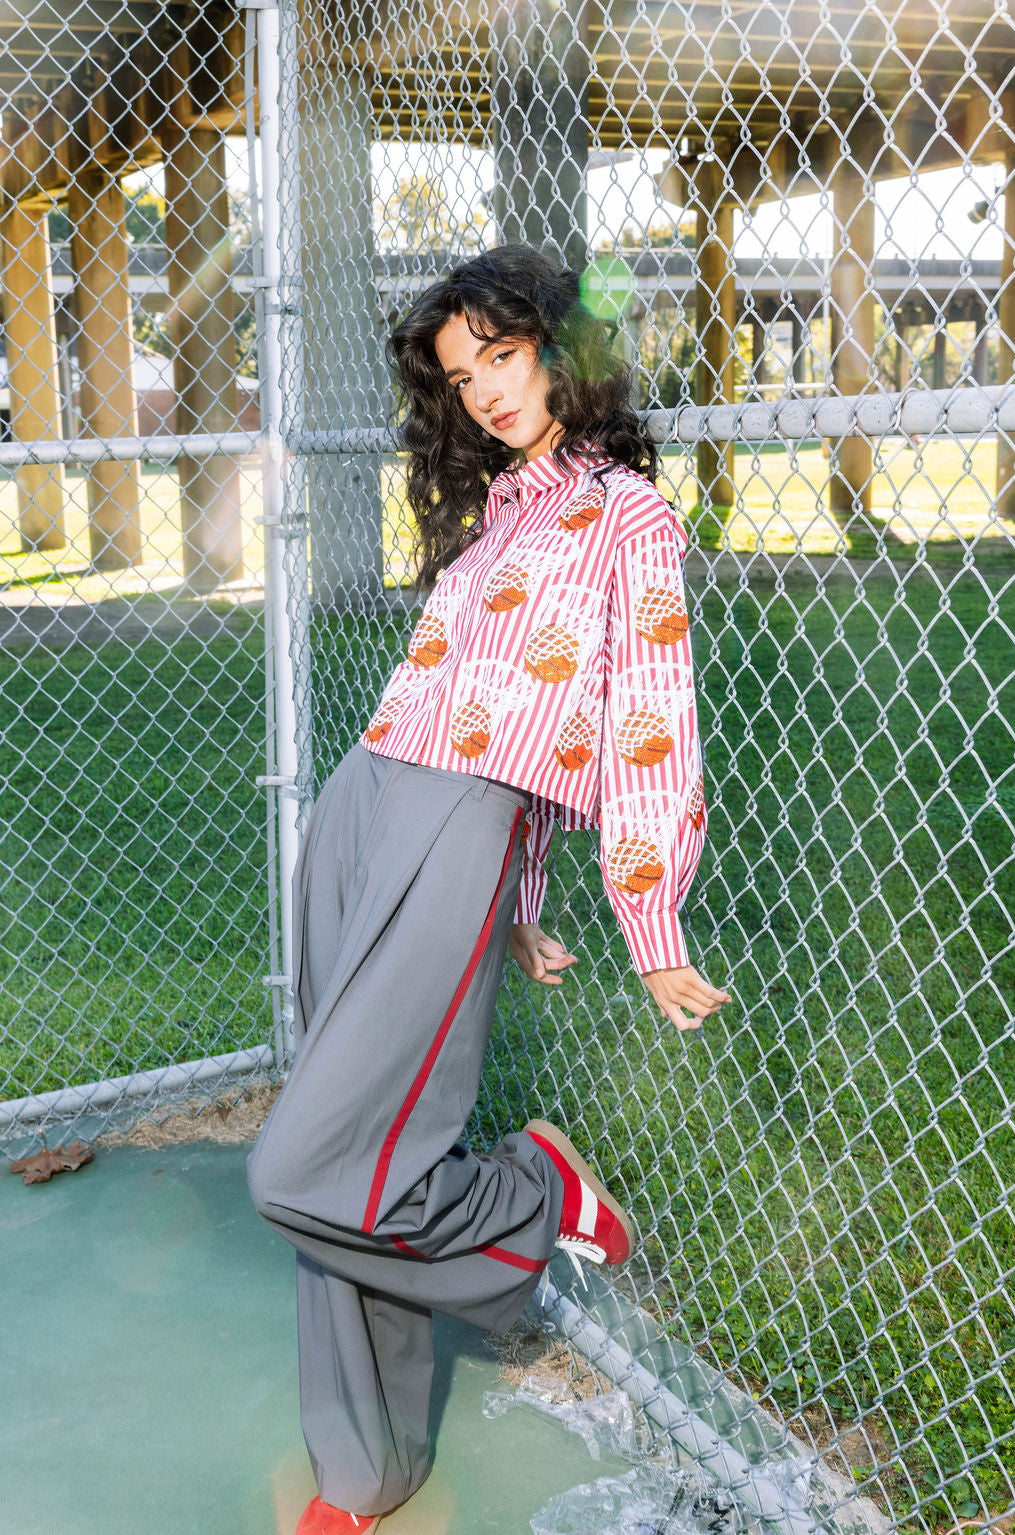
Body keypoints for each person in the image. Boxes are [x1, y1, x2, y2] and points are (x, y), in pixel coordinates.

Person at [247, 241, 731, 1534]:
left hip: (449, 824)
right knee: (349, 1140)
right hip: (364, 800)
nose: (490, 392)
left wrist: (648, 912)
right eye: (465, 376)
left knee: (301, 1168)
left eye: (505, 357)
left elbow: (643, 725)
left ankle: (532, 1190)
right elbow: (487, 702)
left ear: (561, 345)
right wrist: (518, 912)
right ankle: (367, 1468)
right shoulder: (494, 512)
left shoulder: (628, 516)